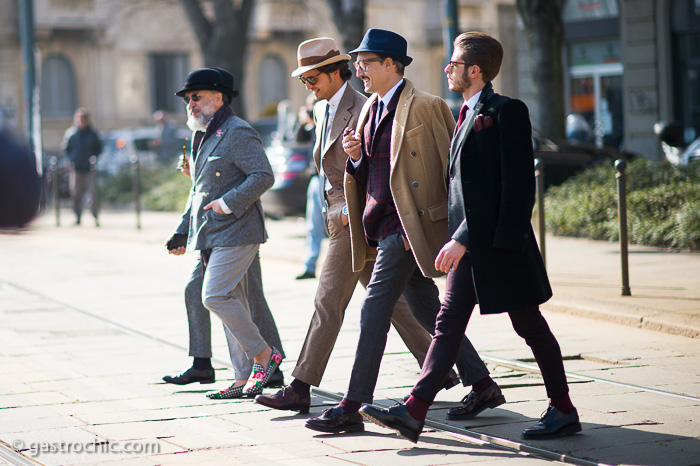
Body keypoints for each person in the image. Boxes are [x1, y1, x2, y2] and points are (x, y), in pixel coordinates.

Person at [359, 32, 581, 443]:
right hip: (469, 245)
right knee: (446, 326)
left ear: (474, 70)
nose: (447, 68)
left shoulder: (506, 111)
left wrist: (462, 236)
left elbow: (513, 188)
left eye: (454, 63)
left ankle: (563, 409)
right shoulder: (462, 113)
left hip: (500, 245)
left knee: (529, 325)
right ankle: (414, 410)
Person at [303, 29, 500, 435]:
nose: (358, 69)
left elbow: (455, 169)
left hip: (411, 226)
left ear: (390, 64)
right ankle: (482, 385)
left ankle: (352, 405)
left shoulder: (426, 106)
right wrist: (355, 157)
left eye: (366, 62)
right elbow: (365, 174)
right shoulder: (368, 108)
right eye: (357, 62)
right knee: (428, 309)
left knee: (373, 310)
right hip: (380, 225)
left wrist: (458, 231)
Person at [255, 37, 460, 416]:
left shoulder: (366, 105)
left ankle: (300, 386)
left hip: (357, 221)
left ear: (336, 72)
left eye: (312, 77)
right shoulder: (319, 110)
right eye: (302, 79)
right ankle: (444, 369)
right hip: (336, 218)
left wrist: (358, 206)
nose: (307, 85)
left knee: (328, 301)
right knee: (393, 304)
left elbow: (385, 168)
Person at [166, 67, 282, 399]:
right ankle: (242, 375)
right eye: (188, 99)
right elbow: (200, 190)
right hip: (211, 234)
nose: (190, 104)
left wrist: (228, 203)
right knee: (237, 301)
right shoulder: (203, 134)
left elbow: (263, 175)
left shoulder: (237, 131)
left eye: (196, 97)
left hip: (238, 229)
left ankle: (264, 355)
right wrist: (182, 231)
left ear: (219, 98)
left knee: (213, 296)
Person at [295, 94, 326, 280]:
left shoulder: (327, 121)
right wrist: (303, 122)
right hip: (315, 179)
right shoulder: (311, 127)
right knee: (313, 225)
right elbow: (299, 139)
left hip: (328, 178)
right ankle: (310, 266)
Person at [62, 108, 102, 226]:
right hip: (76, 168)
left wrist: (94, 158)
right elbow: (65, 149)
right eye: (79, 119)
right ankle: (77, 216)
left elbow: (99, 148)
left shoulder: (93, 133)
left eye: (83, 119)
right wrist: (70, 161)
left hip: (89, 168)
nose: (81, 121)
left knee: (93, 193)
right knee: (76, 193)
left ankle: (95, 216)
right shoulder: (71, 134)